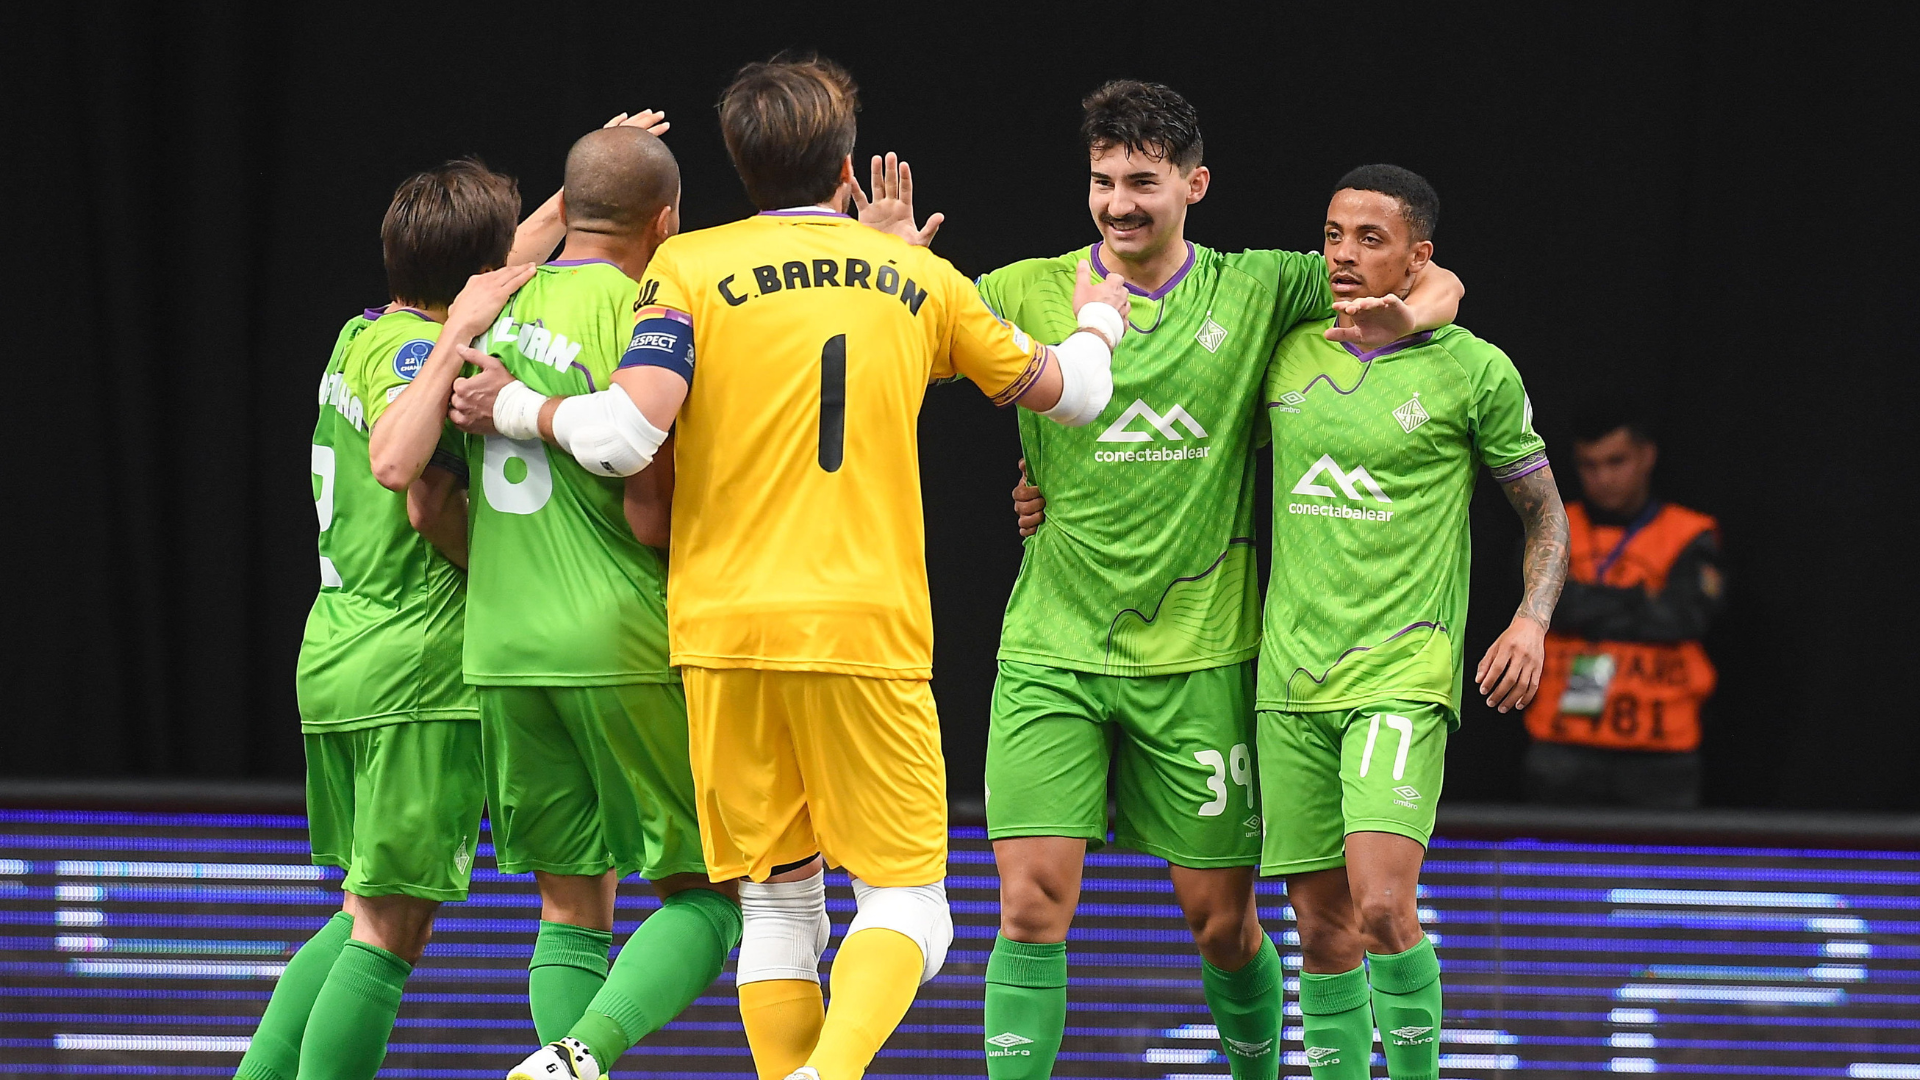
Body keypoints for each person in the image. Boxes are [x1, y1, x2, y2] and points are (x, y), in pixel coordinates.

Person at [446, 51, 1131, 1080]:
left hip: (720, 628)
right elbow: (1071, 394)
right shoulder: (919, 280)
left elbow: (629, 435)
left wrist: (513, 405)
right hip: (863, 626)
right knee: (911, 908)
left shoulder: (686, 267)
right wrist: (1100, 315)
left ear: (732, 166)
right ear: (848, 170)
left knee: (776, 903)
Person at [974, 82, 1461, 1080]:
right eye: (1105, 180)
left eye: (1143, 181)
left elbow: (1438, 280)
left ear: (1193, 184)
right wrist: (895, 256)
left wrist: (1407, 312)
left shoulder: (1259, 288)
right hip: (1050, 648)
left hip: (1199, 658)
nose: (1119, 202)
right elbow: (909, 334)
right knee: (1028, 907)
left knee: (1222, 924)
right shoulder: (1027, 287)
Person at [370, 126, 746, 1080]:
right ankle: (588, 1049)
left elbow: (423, 499)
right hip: (616, 637)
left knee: (572, 903)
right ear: (666, 221)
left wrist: (509, 573)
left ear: (567, 211)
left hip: (500, 644)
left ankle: (561, 1064)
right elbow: (651, 511)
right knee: (708, 895)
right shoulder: (649, 311)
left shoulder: (488, 305)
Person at [1258, 165, 1569, 1080]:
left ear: (1418, 254)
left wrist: (1531, 621)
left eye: (1370, 239)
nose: (1344, 257)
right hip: (1288, 680)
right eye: (1332, 236)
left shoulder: (1473, 369)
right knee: (1319, 929)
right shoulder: (1287, 346)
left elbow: (1544, 512)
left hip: (1403, 670)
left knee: (1384, 908)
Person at [236, 158, 519, 1080]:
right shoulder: (417, 360)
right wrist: (516, 573)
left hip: (342, 650)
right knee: (391, 932)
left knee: (362, 910)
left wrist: (570, 201)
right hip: (415, 664)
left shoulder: (364, 332)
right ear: (475, 282)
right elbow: (424, 499)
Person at [1523, 404, 1722, 807]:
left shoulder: (1688, 534)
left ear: (1646, 456)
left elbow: (1683, 617)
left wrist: (1586, 603)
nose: (1604, 478)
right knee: (1555, 868)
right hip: (1565, 744)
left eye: (1616, 461)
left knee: (1658, 870)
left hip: (1660, 752)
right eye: (1589, 465)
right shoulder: (1554, 526)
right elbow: (1551, 608)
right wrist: (1639, 600)